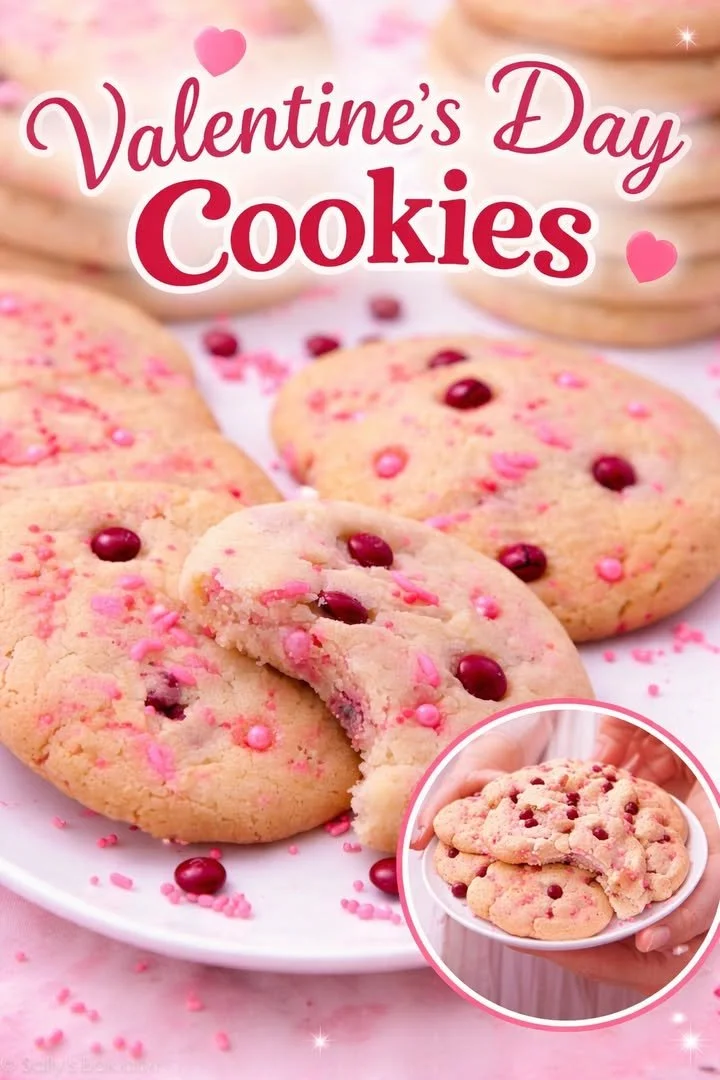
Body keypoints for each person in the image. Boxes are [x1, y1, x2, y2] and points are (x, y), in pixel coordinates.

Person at [411, 711, 719, 1011]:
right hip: (479, 961)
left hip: (649, 955)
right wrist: (498, 742)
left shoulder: (640, 839)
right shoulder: (506, 822)